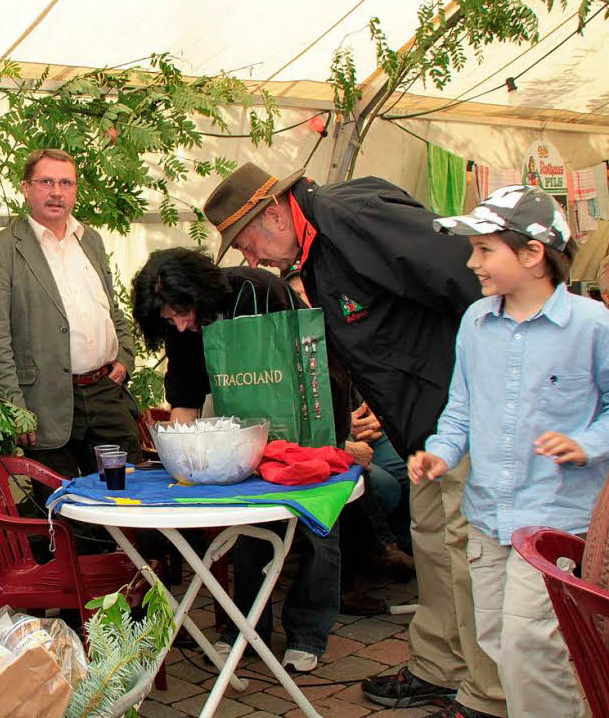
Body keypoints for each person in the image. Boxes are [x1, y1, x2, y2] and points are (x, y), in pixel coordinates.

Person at [203, 163, 503, 718]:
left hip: (462, 415)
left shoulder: (352, 217)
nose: (253, 260)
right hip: (417, 425)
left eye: (248, 243)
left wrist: (485, 387)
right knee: (435, 543)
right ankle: (439, 668)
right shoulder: (315, 249)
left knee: (471, 557)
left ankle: (489, 695)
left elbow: (470, 276)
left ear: (274, 211)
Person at [411, 184, 608, 717]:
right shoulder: (475, 322)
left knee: (530, 648)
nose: (472, 262)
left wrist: (586, 443)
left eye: (484, 249)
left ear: (532, 253)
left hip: (552, 518)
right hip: (486, 517)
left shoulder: (593, 325)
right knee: (500, 643)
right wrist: (441, 453)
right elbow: (461, 407)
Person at [131, 247, 350, 672]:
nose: (178, 324)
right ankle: (246, 632)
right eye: (167, 321)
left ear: (199, 290)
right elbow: (184, 391)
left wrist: (329, 441)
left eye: (181, 313)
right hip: (249, 436)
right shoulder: (178, 321)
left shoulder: (258, 290)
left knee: (318, 530)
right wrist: (183, 452)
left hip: (310, 424)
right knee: (249, 528)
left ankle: (308, 633)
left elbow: (312, 361)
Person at [0, 148, 140, 479]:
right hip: (43, 403)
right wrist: (16, 410)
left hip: (106, 391)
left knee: (130, 499)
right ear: (25, 187)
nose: (56, 192)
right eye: (46, 182)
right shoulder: (0, 251)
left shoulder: (89, 239)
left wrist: (125, 356)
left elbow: (110, 308)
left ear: (76, 190)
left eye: (66, 183)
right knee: (62, 512)